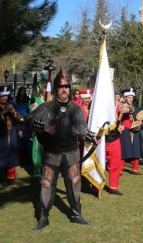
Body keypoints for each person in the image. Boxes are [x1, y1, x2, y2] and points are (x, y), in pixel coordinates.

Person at [26, 69, 98, 230]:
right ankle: (43, 217)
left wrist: (91, 137)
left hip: (72, 153)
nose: (64, 89)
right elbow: (29, 119)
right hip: (52, 153)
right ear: (56, 88)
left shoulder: (76, 109)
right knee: (46, 184)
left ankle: (76, 214)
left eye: (66, 86)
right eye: (61, 87)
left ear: (70, 88)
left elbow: (82, 129)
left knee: (75, 182)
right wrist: (44, 126)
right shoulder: (46, 107)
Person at [119, 88, 143, 175]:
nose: (131, 99)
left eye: (132, 97)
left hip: (134, 129)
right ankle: (120, 169)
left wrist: (140, 122)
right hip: (125, 130)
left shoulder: (135, 107)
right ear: (125, 98)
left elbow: (137, 115)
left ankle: (135, 169)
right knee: (123, 150)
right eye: (129, 97)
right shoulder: (121, 106)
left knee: (136, 149)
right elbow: (119, 117)